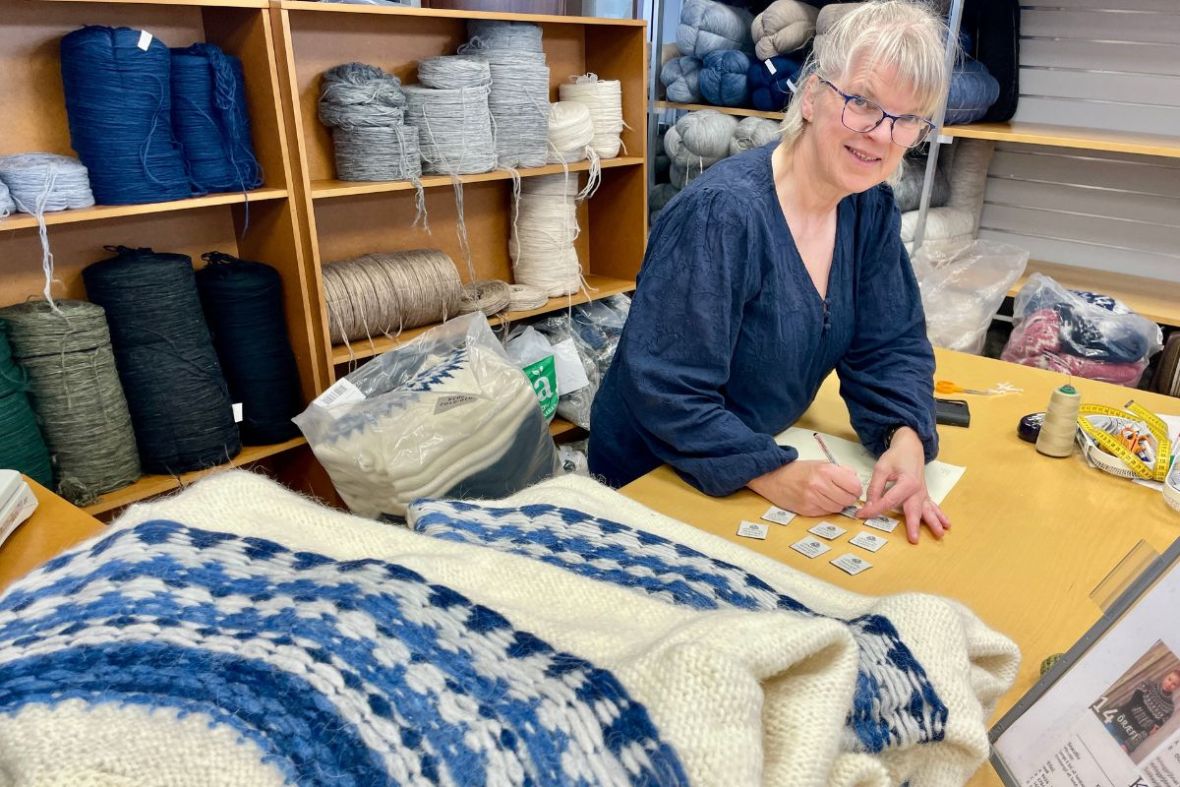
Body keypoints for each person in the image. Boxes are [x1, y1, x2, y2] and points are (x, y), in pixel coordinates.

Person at [588, 0, 953, 544]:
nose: (881, 134)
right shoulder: (722, 215)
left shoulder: (867, 209)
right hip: (654, 477)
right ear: (811, 97)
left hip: (756, 454)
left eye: (907, 122)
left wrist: (904, 438)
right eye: (862, 103)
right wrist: (768, 470)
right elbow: (666, 389)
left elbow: (889, 345)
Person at [1104, 669, 1180, 755]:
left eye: (1174, 684)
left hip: (1127, 740)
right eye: (1169, 679)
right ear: (1166, 676)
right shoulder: (1147, 685)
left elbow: (1150, 731)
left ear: (1177, 688)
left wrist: (1128, 746)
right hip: (1116, 723)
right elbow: (1132, 705)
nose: (1169, 684)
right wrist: (1147, 721)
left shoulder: (1169, 708)